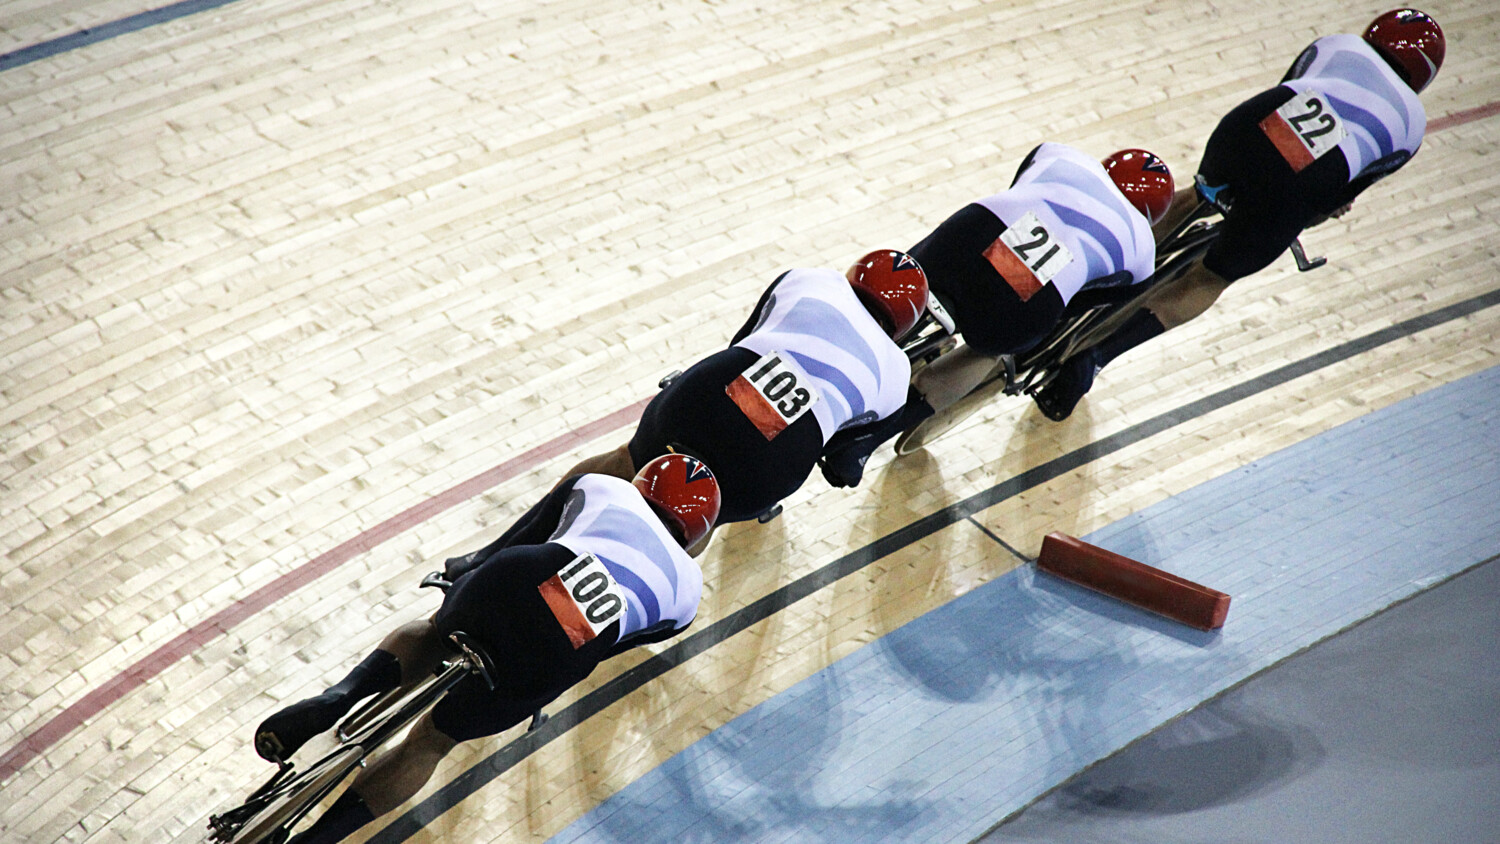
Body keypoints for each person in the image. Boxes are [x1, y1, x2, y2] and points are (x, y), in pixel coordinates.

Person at [251, 453, 721, 844]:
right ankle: (320, 838)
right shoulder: (688, 596)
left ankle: (342, 697)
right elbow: (610, 648)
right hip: (560, 653)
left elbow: (515, 540)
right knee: (432, 743)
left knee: (437, 631)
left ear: (642, 482)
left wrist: (465, 571)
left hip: (516, 579)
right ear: (697, 533)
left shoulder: (603, 486)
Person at [1034, 8, 1444, 420]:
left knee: (1198, 193)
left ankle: (1069, 286)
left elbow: (1289, 87)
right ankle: (1096, 357)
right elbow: (1341, 192)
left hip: (1248, 131)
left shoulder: (1339, 44)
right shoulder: (1412, 124)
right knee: (1212, 277)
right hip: (1302, 184)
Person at [817, 143, 1170, 483]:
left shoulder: (1060, 153)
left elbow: (1018, 185)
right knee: (988, 352)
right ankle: (864, 443)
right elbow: (1083, 302)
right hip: (1026, 302)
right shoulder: (1143, 252)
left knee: (900, 281)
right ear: (1150, 216)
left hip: (969, 236)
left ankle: (830, 346)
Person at [563, 250, 928, 526]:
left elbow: (744, 338)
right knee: (694, 524)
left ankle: (544, 518)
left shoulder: (811, 279)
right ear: (905, 323)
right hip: (768, 466)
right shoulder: (896, 374)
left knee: (626, 459)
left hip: (707, 397)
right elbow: (841, 448)